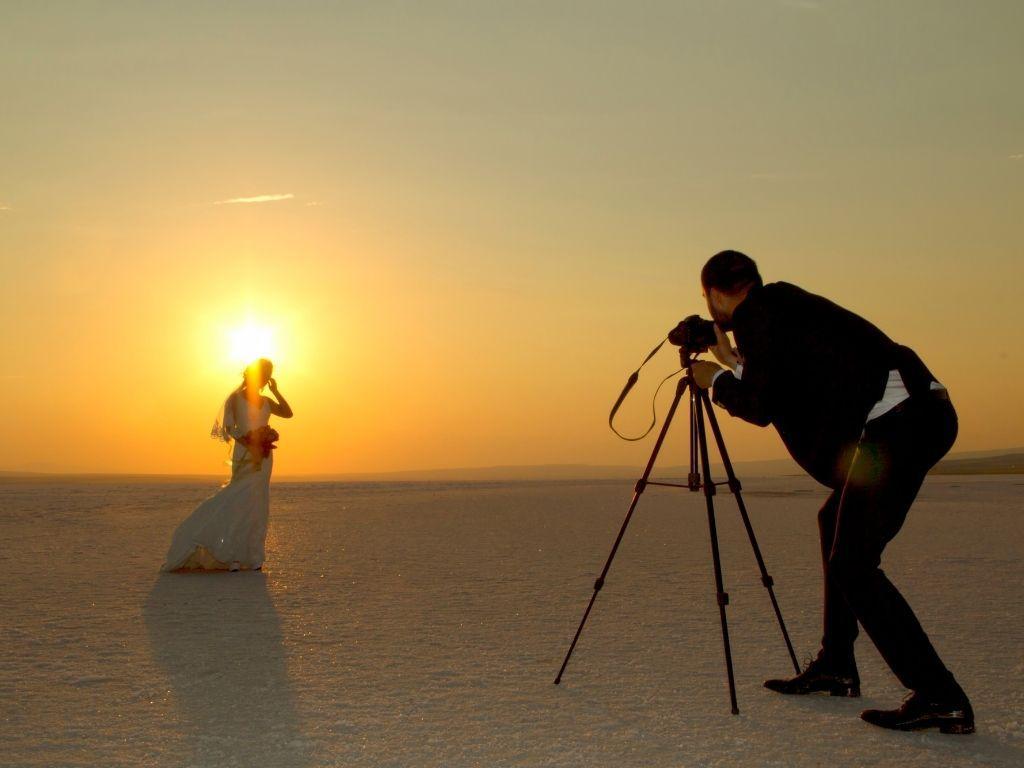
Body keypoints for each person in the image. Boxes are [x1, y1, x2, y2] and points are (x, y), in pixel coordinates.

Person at [689, 250, 974, 734]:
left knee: (853, 564)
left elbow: (760, 404)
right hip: (914, 416)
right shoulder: (783, 308)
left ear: (715, 295)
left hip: (901, 424)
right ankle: (837, 665)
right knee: (833, 523)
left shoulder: (761, 314)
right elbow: (784, 380)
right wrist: (732, 360)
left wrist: (714, 381)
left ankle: (941, 697)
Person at [162, 358, 293, 573]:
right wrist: (250, 442)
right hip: (246, 455)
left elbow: (288, 413)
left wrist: (276, 391)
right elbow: (229, 427)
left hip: (265, 456)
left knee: (258, 504)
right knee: (237, 500)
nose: (266, 378)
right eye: (264, 373)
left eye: (269, 374)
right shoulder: (235, 398)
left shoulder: (267, 401)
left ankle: (253, 557)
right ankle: (229, 555)